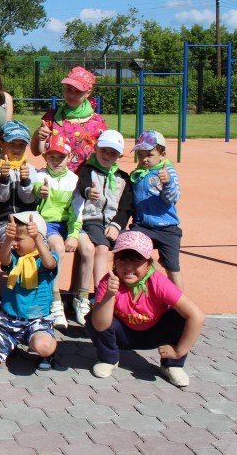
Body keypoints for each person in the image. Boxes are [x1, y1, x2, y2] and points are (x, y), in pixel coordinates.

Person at [87, 231, 205, 388]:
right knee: (94, 315)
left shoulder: (158, 282)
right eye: (122, 259)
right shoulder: (109, 281)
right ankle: (108, 359)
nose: (128, 266)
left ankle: (173, 365)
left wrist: (179, 351)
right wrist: (109, 295)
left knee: (180, 316)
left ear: (148, 263)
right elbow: (99, 325)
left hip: (154, 334)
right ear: (114, 261)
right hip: (123, 335)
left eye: (136, 260)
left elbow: (197, 316)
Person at [0, 213, 59, 374]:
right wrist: (8, 239)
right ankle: (10, 345)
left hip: (37, 321)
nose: (15, 243)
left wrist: (37, 240)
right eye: (13, 239)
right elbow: (4, 259)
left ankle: (47, 354)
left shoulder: (46, 258)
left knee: (43, 347)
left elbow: (50, 264)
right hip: (9, 322)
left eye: (19, 239)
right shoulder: (15, 257)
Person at [71, 130, 133, 327]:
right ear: (96, 148)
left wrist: (117, 225)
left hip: (112, 224)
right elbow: (83, 186)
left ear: (119, 156)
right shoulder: (87, 170)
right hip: (92, 220)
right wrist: (89, 191)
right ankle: (100, 296)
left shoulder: (123, 178)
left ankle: (127, 297)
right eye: (103, 150)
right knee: (102, 248)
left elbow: (125, 208)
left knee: (131, 248)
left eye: (113, 153)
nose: (107, 155)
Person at [33, 134, 81, 330]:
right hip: (48, 223)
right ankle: (55, 299)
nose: (56, 161)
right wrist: (40, 191)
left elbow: (76, 211)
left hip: (68, 223)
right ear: (45, 157)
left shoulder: (74, 180)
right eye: (51, 156)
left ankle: (82, 298)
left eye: (61, 157)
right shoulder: (41, 175)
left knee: (87, 248)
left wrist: (73, 234)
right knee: (58, 249)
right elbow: (37, 188)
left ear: (69, 157)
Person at [128, 131, 183, 288]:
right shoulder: (137, 174)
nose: (144, 159)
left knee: (172, 267)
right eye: (140, 155)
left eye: (150, 155)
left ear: (162, 155)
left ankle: (179, 299)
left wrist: (168, 183)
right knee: (134, 260)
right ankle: (136, 294)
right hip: (142, 226)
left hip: (167, 227)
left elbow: (173, 197)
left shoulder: (167, 172)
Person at [31, 66, 107, 173]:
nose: (72, 95)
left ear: (88, 92)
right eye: (68, 89)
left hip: (86, 179)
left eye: (78, 91)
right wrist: (37, 135)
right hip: (57, 178)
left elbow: (106, 153)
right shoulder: (51, 117)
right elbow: (36, 152)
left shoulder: (97, 122)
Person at [0, 121, 38, 235]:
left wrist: (25, 181)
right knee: (10, 241)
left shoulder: (30, 168)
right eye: (12, 144)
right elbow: (1, 197)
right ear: (0, 143)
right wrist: (3, 179)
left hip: (28, 220)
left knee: (38, 241)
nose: (17, 149)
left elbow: (28, 199)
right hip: (4, 221)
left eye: (22, 145)